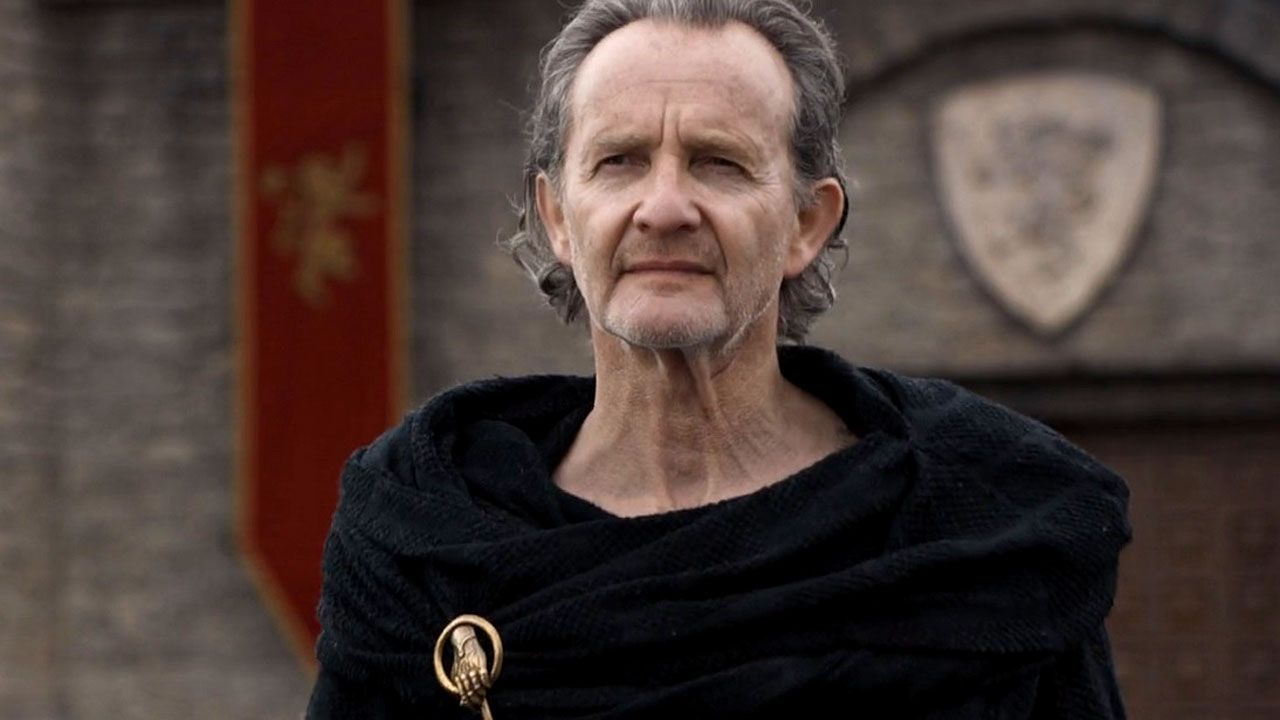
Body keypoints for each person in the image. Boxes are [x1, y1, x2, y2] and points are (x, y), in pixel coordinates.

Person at [306, 0, 1131, 717]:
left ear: (806, 224)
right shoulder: (423, 548)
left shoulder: (986, 532)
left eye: (719, 163)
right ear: (557, 217)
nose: (664, 208)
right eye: (620, 161)